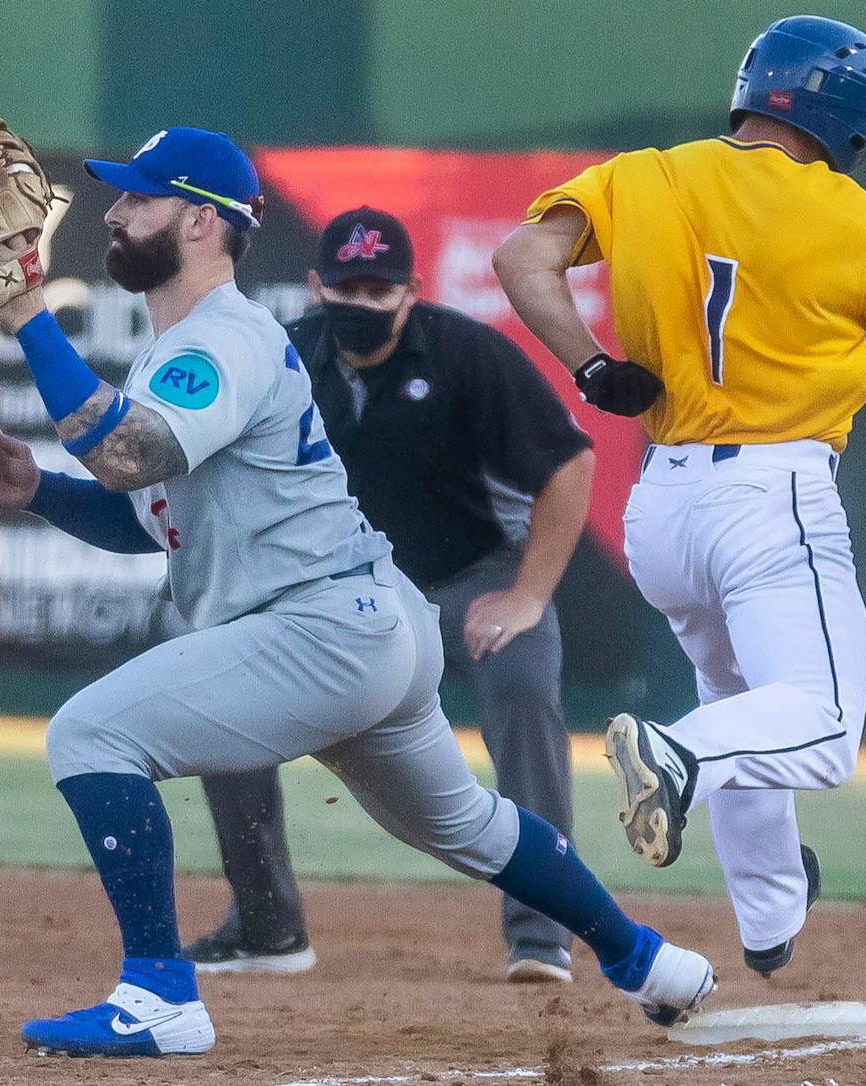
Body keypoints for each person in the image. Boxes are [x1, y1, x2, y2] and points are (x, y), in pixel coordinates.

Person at [0, 125, 715, 1058]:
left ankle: (160, 995)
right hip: (371, 623)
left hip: (321, 630)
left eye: (137, 196)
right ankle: (650, 960)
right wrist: (35, 491)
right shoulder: (189, 349)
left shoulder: (222, 342)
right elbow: (143, 513)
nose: (113, 212)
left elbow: (128, 451)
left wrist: (31, 316)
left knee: (89, 734)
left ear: (201, 221)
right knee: (469, 824)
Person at [493, 16, 866, 980]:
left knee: (744, 695)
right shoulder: (862, 224)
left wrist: (589, 366)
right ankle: (678, 756)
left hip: (663, 504)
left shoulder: (648, 175)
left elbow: (520, 261)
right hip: (773, 494)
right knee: (820, 728)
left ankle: (770, 915)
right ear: (849, 118)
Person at [185, 208, 594, 985]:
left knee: (521, 683)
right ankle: (268, 926)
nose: (362, 302)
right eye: (347, 287)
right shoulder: (284, 354)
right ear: (315, 286)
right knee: (219, 687)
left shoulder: (467, 353)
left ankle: (542, 930)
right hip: (343, 587)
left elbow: (569, 465)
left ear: (413, 288)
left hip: (470, 573)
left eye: (380, 288)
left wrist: (528, 597)